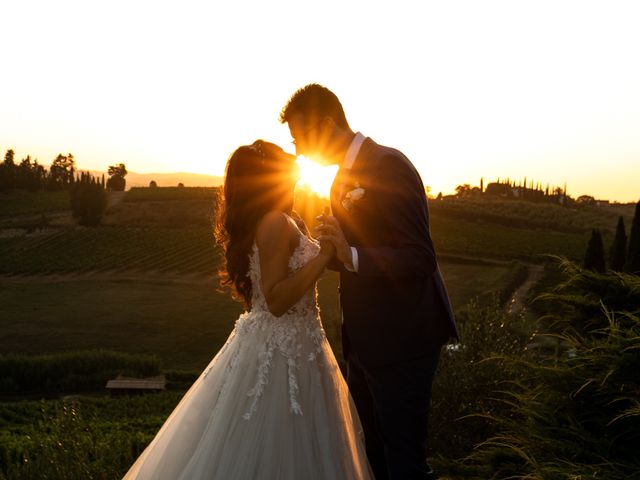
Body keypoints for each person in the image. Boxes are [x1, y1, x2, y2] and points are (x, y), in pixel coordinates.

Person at [123, 140, 372, 479]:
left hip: (300, 343)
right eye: (282, 157)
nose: (292, 159)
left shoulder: (284, 219)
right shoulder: (274, 222)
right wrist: (325, 256)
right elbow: (277, 300)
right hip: (284, 349)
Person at [280, 84, 459, 480]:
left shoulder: (389, 165)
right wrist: (325, 249)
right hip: (363, 343)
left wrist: (352, 255)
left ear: (327, 126)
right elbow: (351, 254)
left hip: (404, 340)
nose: (298, 153)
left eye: (300, 139)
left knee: (404, 460)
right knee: (370, 457)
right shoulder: (339, 180)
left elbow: (420, 256)